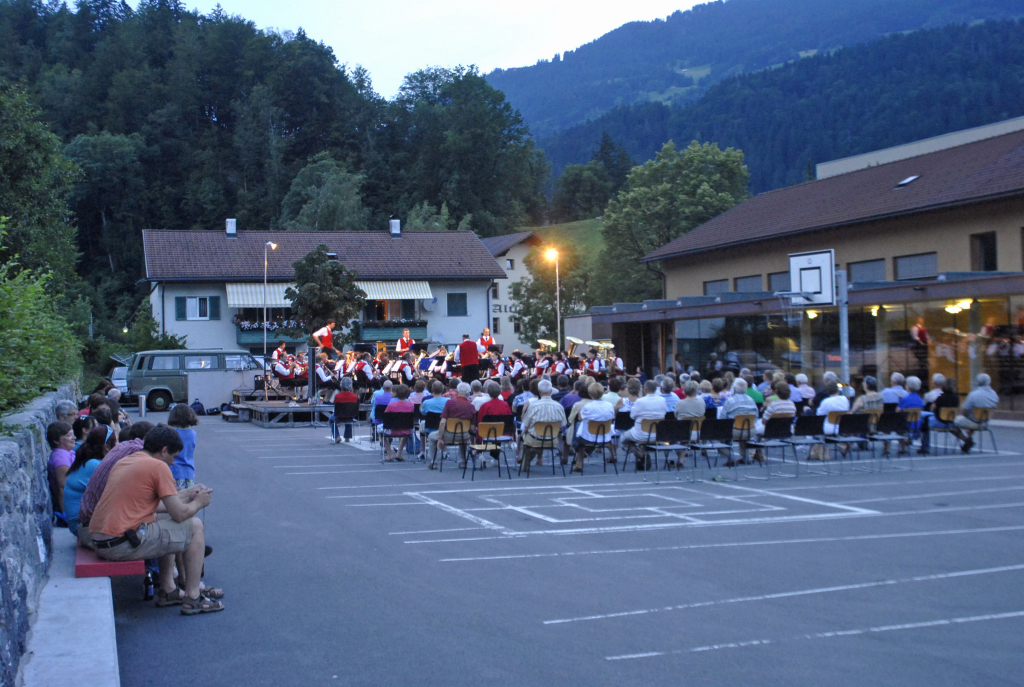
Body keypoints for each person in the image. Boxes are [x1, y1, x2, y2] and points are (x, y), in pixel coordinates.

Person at [88, 426, 223, 615]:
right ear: (164, 450)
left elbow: (153, 505)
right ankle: (193, 597)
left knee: (165, 522)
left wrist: (188, 494)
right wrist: (199, 503)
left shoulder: (128, 461)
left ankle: (168, 590)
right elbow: (180, 514)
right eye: (173, 456)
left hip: (101, 540)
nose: (173, 462)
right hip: (120, 544)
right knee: (195, 527)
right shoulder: (158, 466)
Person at [77, 422, 155, 547]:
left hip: (86, 525)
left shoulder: (124, 447)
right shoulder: (138, 454)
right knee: (165, 528)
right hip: (96, 531)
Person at [64, 427, 110, 535]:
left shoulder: (88, 461)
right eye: (115, 442)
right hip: (82, 526)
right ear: (107, 446)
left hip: (78, 524)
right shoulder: (94, 464)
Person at [519, 380, 568, 468]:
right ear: (551, 391)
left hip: (535, 438)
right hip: (553, 439)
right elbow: (563, 424)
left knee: (527, 436)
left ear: (539, 391)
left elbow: (526, 423)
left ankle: (525, 462)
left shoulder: (533, 406)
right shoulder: (559, 406)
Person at [620, 380, 667, 467]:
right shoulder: (662, 400)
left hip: (641, 434)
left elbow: (632, 416)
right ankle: (642, 452)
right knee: (646, 435)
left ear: (645, 389)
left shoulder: (640, 401)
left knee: (623, 438)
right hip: (657, 434)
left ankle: (639, 454)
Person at [430, 382, 477, 469]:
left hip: (448, 435)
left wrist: (440, 438)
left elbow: (442, 422)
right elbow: (472, 427)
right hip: (464, 435)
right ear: (468, 392)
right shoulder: (471, 406)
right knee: (463, 435)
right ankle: (462, 461)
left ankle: (433, 462)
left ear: (457, 391)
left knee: (431, 437)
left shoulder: (449, 403)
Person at [571, 382, 616, 472]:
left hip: (588, 436)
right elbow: (612, 417)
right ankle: (613, 454)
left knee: (578, 430)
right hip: (605, 435)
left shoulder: (587, 407)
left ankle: (579, 463)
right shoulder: (610, 405)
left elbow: (580, 418)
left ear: (590, 393)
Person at [952, 373, 999, 453]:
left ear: (977, 382)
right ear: (989, 382)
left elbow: (964, 411)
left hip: (974, 421)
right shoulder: (994, 395)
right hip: (985, 422)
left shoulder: (973, 394)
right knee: (972, 418)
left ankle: (966, 440)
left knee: (953, 423)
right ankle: (968, 440)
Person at [718, 378, 759, 464]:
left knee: (718, 435)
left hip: (735, 432)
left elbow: (722, 419)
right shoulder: (751, 400)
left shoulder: (730, 401)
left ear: (734, 389)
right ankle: (745, 457)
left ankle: (730, 456)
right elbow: (756, 416)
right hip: (750, 430)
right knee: (743, 429)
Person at [919, 377, 958, 455]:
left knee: (924, 421)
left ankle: (924, 446)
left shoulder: (940, 398)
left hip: (939, 422)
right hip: (951, 422)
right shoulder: (956, 398)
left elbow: (932, 409)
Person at [46, 420, 75, 521]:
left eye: (72, 434)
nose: (74, 438)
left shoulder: (67, 452)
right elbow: (63, 487)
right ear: (56, 440)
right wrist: (66, 514)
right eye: (68, 435)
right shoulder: (61, 457)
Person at [167, 404, 199, 490]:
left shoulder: (172, 433)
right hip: (189, 471)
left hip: (174, 470)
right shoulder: (193, 434)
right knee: (189, 495)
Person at [383, 384, 414, 461]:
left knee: (380, 432)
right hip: (406, 429)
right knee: (407, 433)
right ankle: (399, 453)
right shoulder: (411, 405)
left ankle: (390, 453)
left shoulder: (391, 405)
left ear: (396, 393)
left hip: (392, 430)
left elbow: (385, 416)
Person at [330, 377, 359, 443]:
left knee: (331, 419)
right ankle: (347, 436)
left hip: (339, 416)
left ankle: (336, 436)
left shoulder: (337, 396)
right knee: (349, 414)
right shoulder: (355, 396)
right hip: (350, 416)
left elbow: (335, 403)